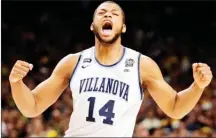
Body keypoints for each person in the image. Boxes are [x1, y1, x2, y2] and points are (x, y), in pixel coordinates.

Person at [9, 1, 213, 137]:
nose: (108, 15)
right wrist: (16, 83)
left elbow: (175, 108)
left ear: (123, 27)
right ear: (92, 25)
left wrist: (198, 86)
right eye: (102, 13)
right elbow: (32, 106)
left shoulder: (142, 65)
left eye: (115, 14)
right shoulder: (73, 62)